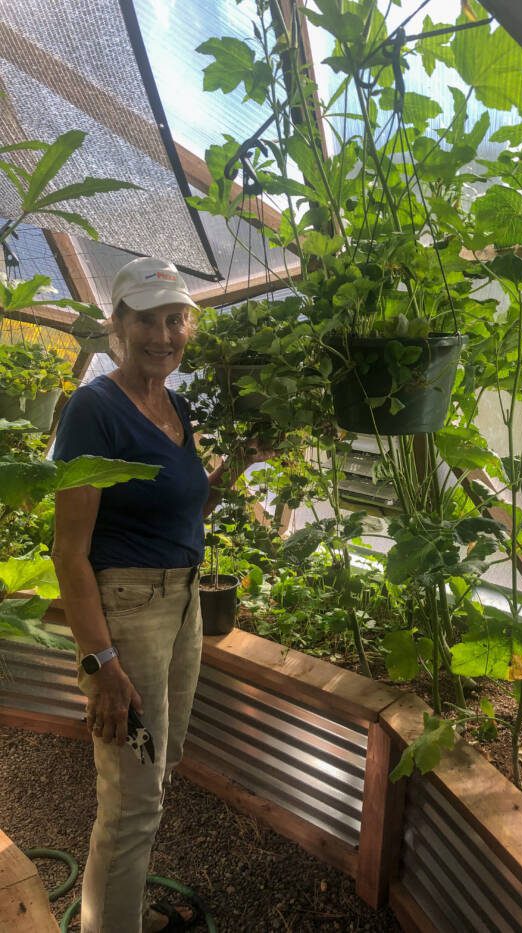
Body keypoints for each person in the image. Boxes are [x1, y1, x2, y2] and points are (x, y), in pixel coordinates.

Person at [52, 257, 269, 933]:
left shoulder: (174, 405)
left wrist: (242, 463)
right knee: (132, 796)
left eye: (175, 318)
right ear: (119, 324)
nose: (164, 334)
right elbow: (69, 553)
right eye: (147, 319)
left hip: (180, 609)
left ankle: (118, 908)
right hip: (130, 612)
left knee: (157, 768)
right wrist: (102, 663)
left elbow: (186, 508)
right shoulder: (96, 409)